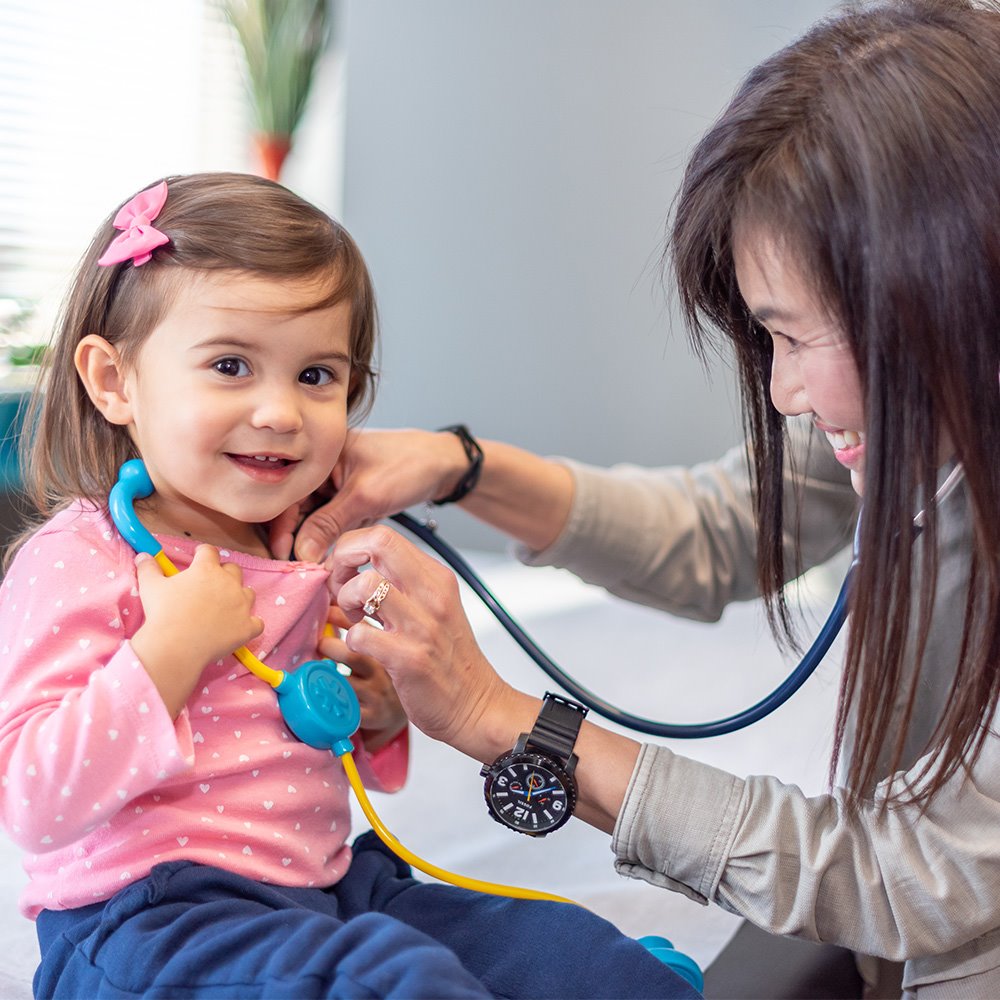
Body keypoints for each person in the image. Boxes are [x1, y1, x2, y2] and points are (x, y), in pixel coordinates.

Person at [280, 1, 1000, 996]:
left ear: (952, 292)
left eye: (795, 336)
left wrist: (500, 716)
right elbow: (725, 528)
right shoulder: (925, 399)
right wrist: (461, 467)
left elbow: (911, 875)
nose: (783, 392)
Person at [0, 173, 699, 999]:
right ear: (114, 381)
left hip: (325, 889)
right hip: (150, 923)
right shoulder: (82, 557)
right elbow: (33, 799)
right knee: (397, 981)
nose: (281, 412)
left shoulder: (299, 548)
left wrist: (376, 711)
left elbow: (286, 733)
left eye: (316, 376)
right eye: (231, 365)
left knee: (575, 956)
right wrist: (170, 651)